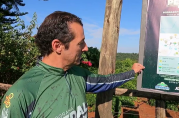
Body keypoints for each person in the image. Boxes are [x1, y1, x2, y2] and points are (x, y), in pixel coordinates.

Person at [0, 11, 145, 118]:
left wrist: (132, 72)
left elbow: (106, 81)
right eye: (80, 43)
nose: (86, 48)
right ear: (58, 46)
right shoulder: (23, 92)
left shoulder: (79, 74)